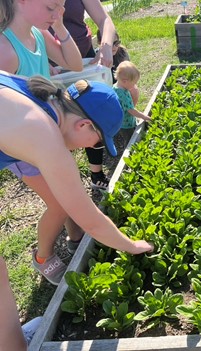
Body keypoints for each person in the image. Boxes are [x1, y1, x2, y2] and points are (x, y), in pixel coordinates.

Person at [0, 71, 153, 349]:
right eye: (97, 142)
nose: (92, 148)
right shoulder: (43, 132)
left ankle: (10, 340)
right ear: (84, 125)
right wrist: (132, 246)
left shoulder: (30, 90)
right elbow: (90, 220)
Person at [0, 0, 89, 283]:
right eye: (51, 7)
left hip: (49, 133)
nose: (57, 14)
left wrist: (60, 25)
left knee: (64, 187)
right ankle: (43, 256)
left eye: (61, 8)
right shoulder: (6, 50)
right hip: (25, 147)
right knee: (60, 201)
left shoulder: (38, 34)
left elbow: (74, 63)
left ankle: (76, 235)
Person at [57, 0, 118, 190]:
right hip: (52, 66)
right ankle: (64, 182)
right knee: (58, 122)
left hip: (86, 60)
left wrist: (106, 46)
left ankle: (96, 173)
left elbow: (103, 19)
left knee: (93, 117)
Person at [113, 61, 151, 147]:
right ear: (125, 81)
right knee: (130, 140)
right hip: (127, 123)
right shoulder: (123, 93)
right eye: (134, 83)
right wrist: (144, 116)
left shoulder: (116, 86)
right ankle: (130, 153)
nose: (135, 85)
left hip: (121, 120)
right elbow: (131, 111)